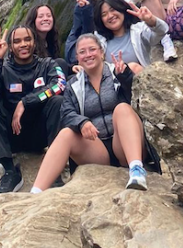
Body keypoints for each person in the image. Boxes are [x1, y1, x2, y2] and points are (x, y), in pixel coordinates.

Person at [30, 33, 149, 193]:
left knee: (122, 108)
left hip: (125, 143)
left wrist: (126, 78)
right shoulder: (73, 85)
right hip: (97, 149)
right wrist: (82, 122)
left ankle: (136, 170)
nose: (88, 55)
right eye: (82, 52)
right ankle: (36, 192)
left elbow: (139, 101)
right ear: (77, 58)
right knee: (66, 133)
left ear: (101, 52)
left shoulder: (118, 71)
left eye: (92, 49)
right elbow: (66, 113)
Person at [0, 23, 68, 194]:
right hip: (12, 137)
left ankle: (53, 168)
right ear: (11, 47)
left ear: (34, 42)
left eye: (27, 39)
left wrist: (26, 102)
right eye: (17, 41)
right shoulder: (3, 69)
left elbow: (60, 84)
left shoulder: (48, 64)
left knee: (58, 101)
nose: (23, 44)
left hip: (40, 134)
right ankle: (10, 172)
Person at [95, 0, 168, 73]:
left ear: (121, 9)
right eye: (104, 14)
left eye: (112, 10)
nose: (110, 16)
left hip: (140, 80)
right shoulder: (98, 40)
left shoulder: (138, 30)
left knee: (133, 67)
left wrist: (151, 20)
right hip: (113, 83)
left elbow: (162, 31)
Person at [64, 0, 111, 66]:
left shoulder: (112, 0)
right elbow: (86, 34)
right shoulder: (82, 5)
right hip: (77, 49)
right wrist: (86, 10)